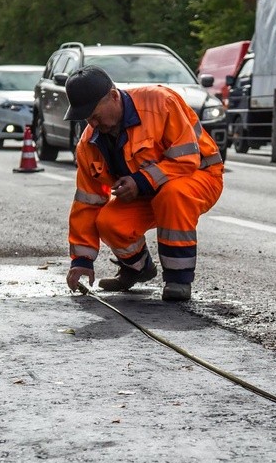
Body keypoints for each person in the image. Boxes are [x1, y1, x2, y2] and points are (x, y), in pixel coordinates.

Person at [63, 65, 224, 301]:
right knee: (108, 222)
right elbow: (88, 201)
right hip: (150, 192)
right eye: (88, 118)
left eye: (96, 115)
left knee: (172, 195)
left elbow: (187, 159)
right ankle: (138, 269)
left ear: (113, 96)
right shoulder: (89, 145)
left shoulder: (160, 102)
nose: (93, 124)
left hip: (199, 176)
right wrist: (81, 261)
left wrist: (140, 181)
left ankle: (178, 281)